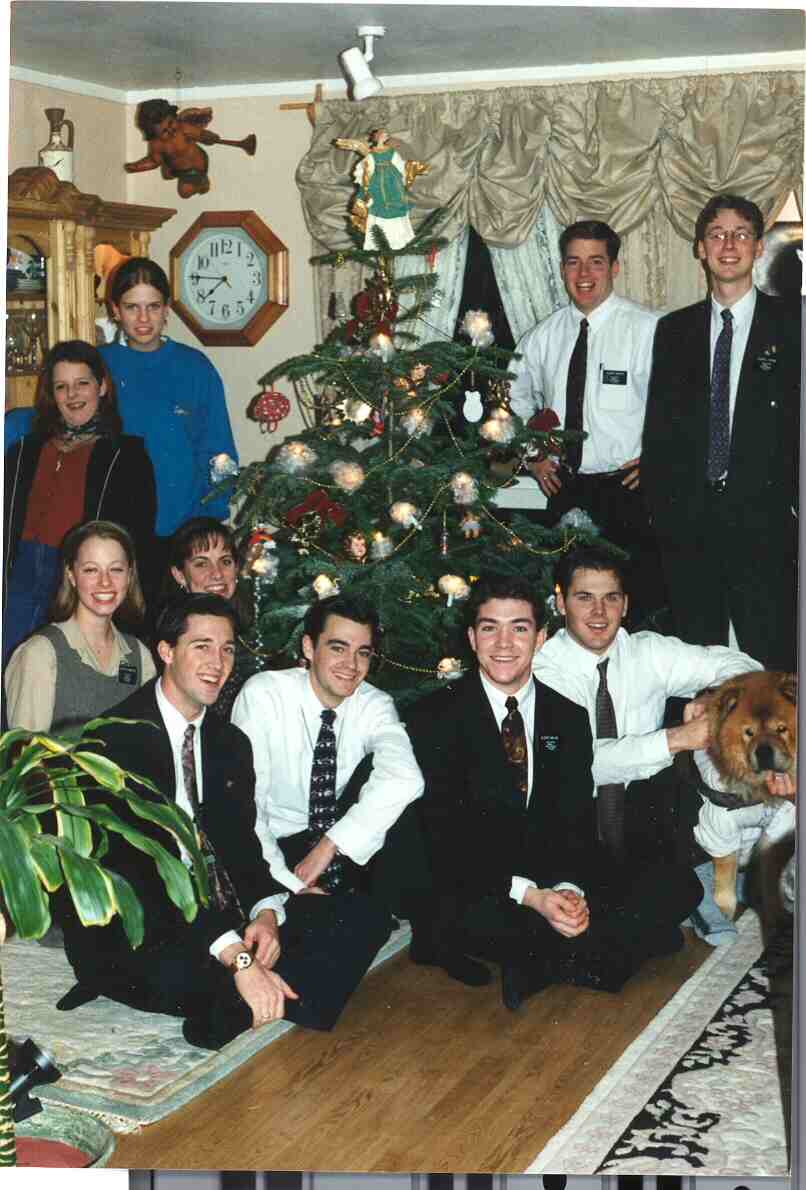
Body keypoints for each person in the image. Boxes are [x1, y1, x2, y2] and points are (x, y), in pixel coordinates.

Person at [56, 593, 392, 1051]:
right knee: (215, 972)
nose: (218, 663)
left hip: (218, 908)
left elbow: (241, 846)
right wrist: (239, 957)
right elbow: (142, 876)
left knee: (365, 916)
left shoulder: (229, 742)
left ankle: (249, 999)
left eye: (228, 649)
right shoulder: (114, 739)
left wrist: (266, 914)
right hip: (141, 921)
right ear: (167, 651)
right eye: (202, 646)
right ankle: (244, 997)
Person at [405, 573, 701, 1010]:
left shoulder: (566, 716)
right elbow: (445, 839)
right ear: (471, 637)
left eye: (519, 628)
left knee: (678, 887)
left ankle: (552, 958)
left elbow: (575, 821)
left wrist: (569, 889)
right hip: (477, 879)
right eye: (490, 627)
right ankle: (579, 953)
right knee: (502, 919)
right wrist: (532, 897)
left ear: (541, 637)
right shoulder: (432, 717)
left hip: (545, 871)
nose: (504, 643)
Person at [232, 594, 484, 986]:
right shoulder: (264, 694)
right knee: (345, 933)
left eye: (362, 653)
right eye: (337, 648)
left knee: (402, 786)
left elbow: (406, 778)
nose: (351, 666)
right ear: (308, 647)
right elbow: (247, 809)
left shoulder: (373, 703)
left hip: (337, 842)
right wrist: (289, 884)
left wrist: (331, 844)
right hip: (274, 846)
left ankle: (431, 934)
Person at [532, 545, 770, 944]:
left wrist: (716, 697)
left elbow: (745, 667)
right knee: (616, 928)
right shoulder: (545, 669)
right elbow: (581, 765)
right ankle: (687, 890)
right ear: (560, 602)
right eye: (584, 598)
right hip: (575, 816)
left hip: (650, 812)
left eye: (611, 598)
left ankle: (691, 883)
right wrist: (675, 738)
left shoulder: (647, 650)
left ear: (625, 605)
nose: (598, 613)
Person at [642, 194, 800, 669]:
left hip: (769, 527)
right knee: (699, 664)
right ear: (699, 248)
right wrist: (664, 514)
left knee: (773, 667)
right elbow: (660, 433)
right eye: (716, 234)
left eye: (740, 235)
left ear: (757, 248)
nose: (728, 245)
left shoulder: (795, 323)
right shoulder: (674, 331)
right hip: (691, 531)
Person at [508, 220, 663, 626]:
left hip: (627, 493)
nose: (584, 274)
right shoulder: (542, 336)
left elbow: (678, 408)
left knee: (632, 610)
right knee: (565, 610)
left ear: (615, 267)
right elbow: (512, 399)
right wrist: (534, 454)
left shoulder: (648, 330)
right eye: (573, 262)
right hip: (564, 486)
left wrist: (658, 460)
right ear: (561, 269)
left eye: (596, 262)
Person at [3, 340, 156, 662]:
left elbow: (137, 540)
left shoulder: (126, 455)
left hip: (77, 576)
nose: (72, 396)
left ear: (101, 387)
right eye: (62, 387)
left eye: (82, 383)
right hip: (21, 573)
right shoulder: (24, 450)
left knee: (62, 668)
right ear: (52, 395)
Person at [4, 521, 156, 734]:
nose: (105, 582)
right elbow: (24, 759)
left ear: (130, 576)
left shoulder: (141, 656)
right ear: (71, 575)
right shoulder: (40, 653)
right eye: (91, 570)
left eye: (116, 569)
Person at [163, 516, 261, 717]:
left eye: (225, 561)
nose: (217, 574)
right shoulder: (167, 639)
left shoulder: (259, 637)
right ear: (179, 575)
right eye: (201, 564)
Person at [125, 98, 256, 199]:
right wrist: (136, 166)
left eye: (171, 123)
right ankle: (173, 170)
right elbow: (154, 161)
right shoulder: (156, 145)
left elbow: (202, 135)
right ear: (153, 134)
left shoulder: (184, 129)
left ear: (175, 117)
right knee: (167, 172)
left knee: (184, 192)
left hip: (195, 166)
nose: (170, 130)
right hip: (176, 168)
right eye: (164, 131)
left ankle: (202, 182)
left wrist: (208, 136)